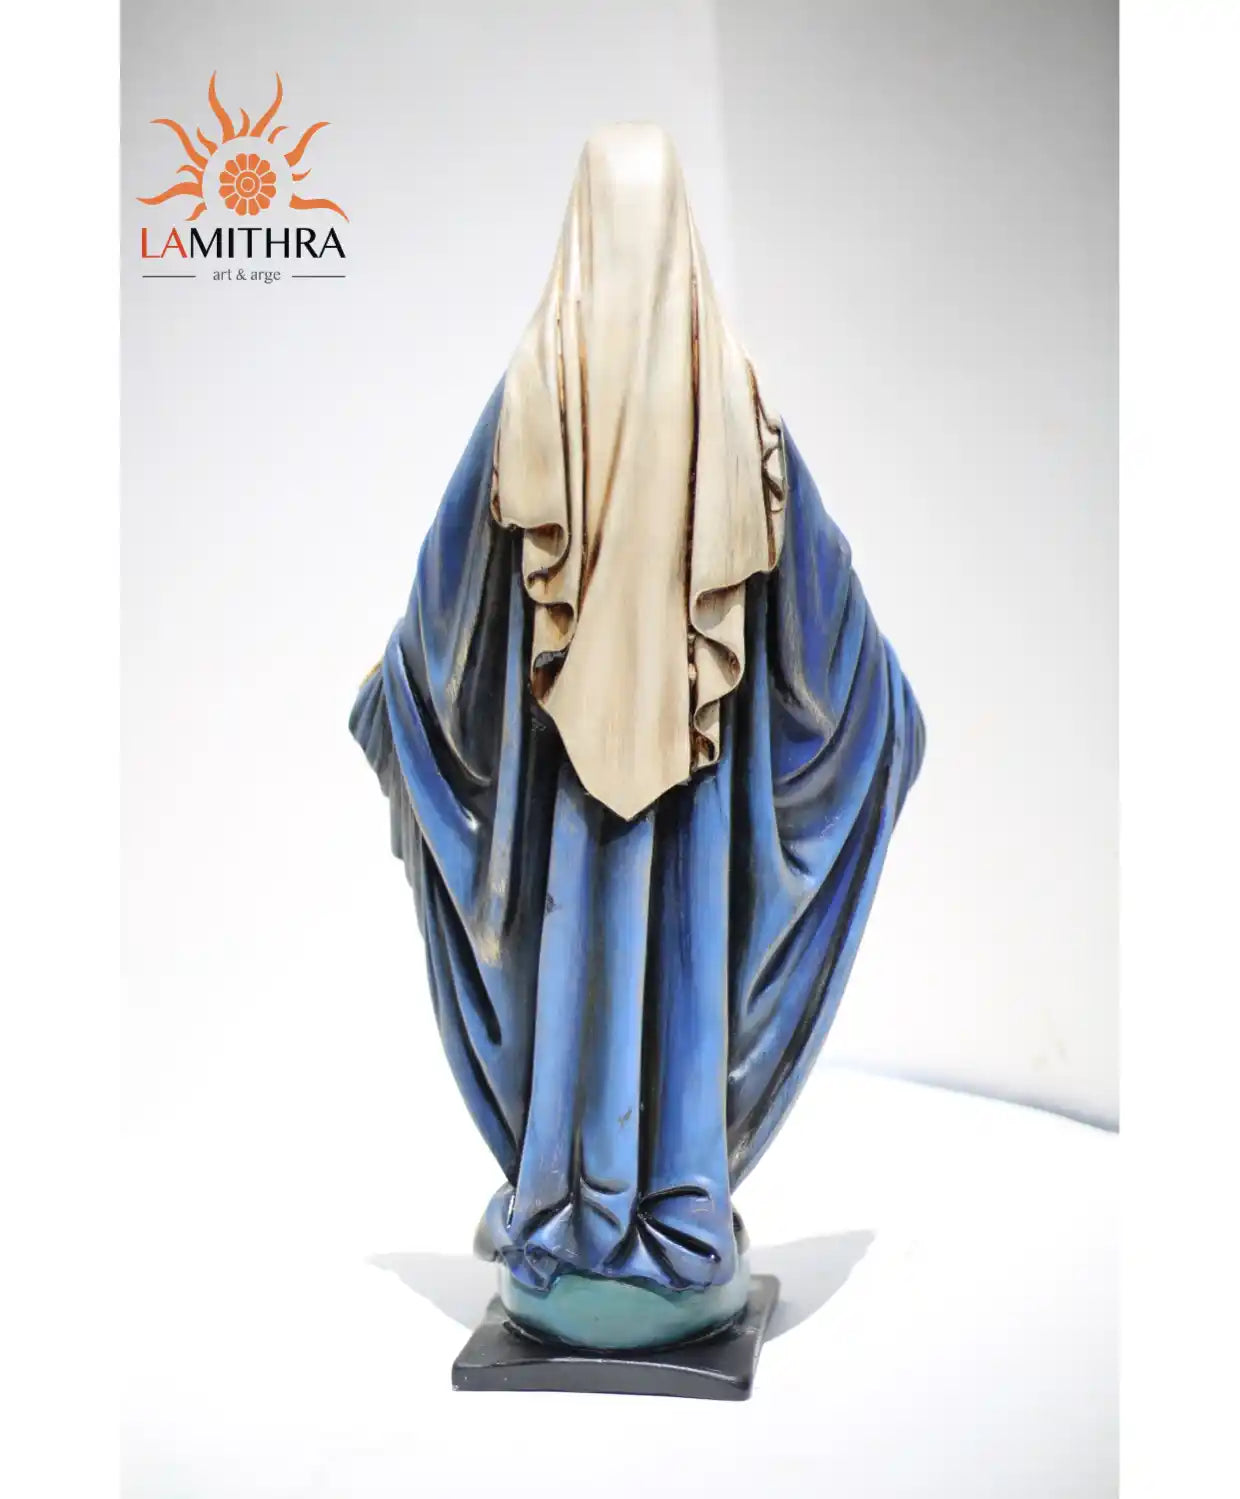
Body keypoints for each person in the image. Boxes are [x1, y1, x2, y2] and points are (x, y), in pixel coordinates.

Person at [350, 123, 924, 1348]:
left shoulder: (534, 392)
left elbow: (448, 601)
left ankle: (571, 1203)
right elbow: (820, 615)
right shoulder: (735, 397)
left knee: (572, 968)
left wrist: (400, 691)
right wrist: (881, 707)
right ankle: (668, 1201)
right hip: (696, 805)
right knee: (679, 975)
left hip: (565, 813)